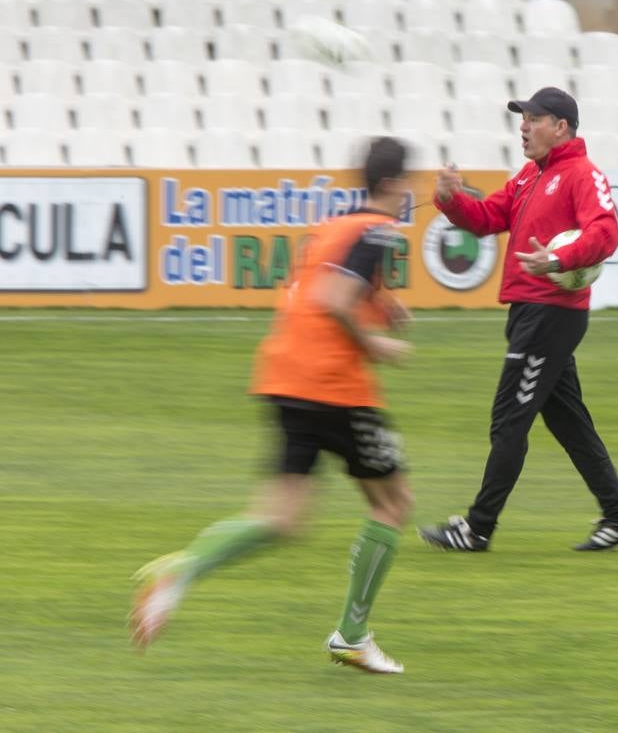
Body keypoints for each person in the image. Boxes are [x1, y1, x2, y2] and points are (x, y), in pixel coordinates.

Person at [130, 137, 416, 674]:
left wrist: (381, 301)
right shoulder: (378, 230)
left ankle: (183, 568)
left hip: (284, 378)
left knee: (280, 519)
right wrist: (373, 341)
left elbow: (315, 287)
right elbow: (332, 301)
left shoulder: (332, 226)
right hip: (334, 386)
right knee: (393, 503)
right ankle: (352, 635)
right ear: (396, 184)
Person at [418, 87, 618, 552]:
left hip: (549, 314)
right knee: (569, 424)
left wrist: (559, 261)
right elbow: (485, 219)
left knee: (509, 420)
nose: (523, 125)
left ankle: (478, 527)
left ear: (560, 127)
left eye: (533, 118)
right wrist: (451, 199)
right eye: (522, 118)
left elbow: (606, 232)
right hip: (533, 311)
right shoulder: (529, 177)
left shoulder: (581, 174)